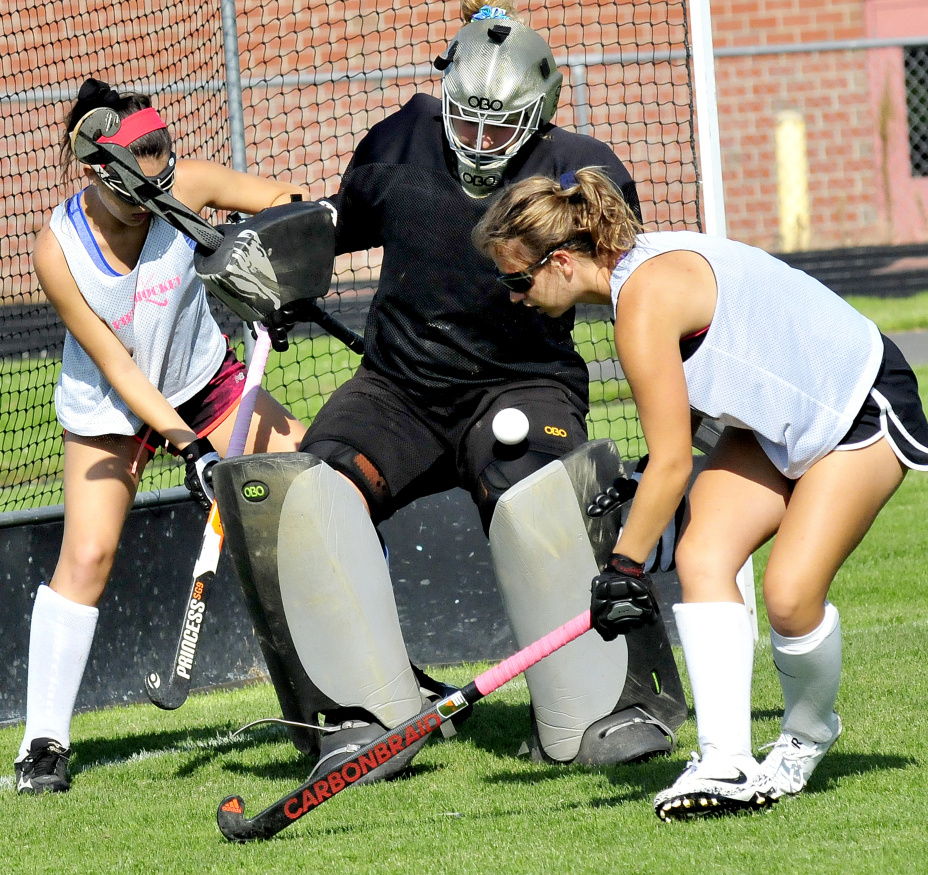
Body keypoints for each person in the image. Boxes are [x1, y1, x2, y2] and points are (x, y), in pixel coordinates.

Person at [217, 1, 686, 785]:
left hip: (524, 382)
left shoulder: (579, 168)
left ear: (538, 113)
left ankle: (612, 705)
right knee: (311, 492)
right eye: (465, 118)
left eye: (498, 124)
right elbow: (335, 226)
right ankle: (363, 716)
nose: (477, 139)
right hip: (400, 386)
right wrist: (266, 265)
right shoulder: (397, 141)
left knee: (537, 491)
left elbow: (629, 278)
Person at [471, 166, 928, 820]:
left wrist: (622, 568)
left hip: (855, 406)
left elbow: (673, 464)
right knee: (701, 558)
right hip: (775, 421)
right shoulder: (636, 277)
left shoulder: (640, 301)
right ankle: (722, 760)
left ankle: (807, 734)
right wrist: (643, 494)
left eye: (516, 280)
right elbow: (710, 379)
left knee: (787, 595)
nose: (515, 297)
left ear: (558, 261)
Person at [15, 77, 307, 794]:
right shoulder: (59, 249)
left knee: (316, 488)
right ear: (99, 169)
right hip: (113, 408)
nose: (158, 174)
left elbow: (291, 206)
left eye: (161, 154)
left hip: (204, 380)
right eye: (140, 162)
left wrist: (277, 276)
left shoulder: (186, 182)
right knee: (88, 554)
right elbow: (116, 362)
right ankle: (42, 743)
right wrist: (194, 447)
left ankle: (361, 680)